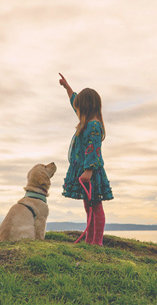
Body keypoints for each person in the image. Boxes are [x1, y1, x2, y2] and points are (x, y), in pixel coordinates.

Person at [58, 73, 114, 245]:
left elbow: (93, 149)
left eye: (80, 107)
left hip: (90, 172)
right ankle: (90, 241)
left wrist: (88, 171)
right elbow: (75, 104)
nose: (78, 110)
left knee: (95, 207)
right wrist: (68, 88)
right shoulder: (88, 121)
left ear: (86, 107)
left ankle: (96, 243)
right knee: (88, 207)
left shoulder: (93, 126)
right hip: (84, 170)